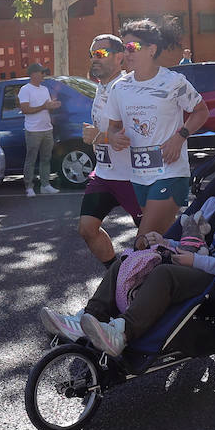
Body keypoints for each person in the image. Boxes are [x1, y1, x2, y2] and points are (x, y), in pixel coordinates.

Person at [39, 138, 215, 352]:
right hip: (190, 262)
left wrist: (193, 260)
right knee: (128, 259)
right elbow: (189, 239)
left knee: (164, 274)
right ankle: (88, 318)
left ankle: (122, 333)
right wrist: (165, 242)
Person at [103, 18, 210, 245]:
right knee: (158, 242)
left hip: (170, 173)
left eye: (132, 47)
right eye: (124, 47)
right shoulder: (120, 87)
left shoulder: (173, 82)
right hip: (138, 175)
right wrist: (113, 138)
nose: (127, 53)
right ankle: (191, 242)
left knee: (142, 242)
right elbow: (112, 127)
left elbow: (201, 111)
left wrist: (180, 137)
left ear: (151, 49)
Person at [74, 35, 143, 269]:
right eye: (92, 54)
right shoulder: (101, 88)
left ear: (120, 57)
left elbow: (134, 134)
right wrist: (98, 138)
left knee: (151, 238)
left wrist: (98, 136)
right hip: (104, 175)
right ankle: (117, 275)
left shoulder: (127, 88)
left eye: (101, 54)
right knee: (87, 228)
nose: (95, 59)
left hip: (131, 177)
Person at [18, 62, 61, 197]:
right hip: (33, 131)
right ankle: (29, 187)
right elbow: (25, 109)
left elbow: (46, 105)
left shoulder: (44, 89)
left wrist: (53, 105)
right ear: (33, 74)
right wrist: (44, 107)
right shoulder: (25, 89)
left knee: (46, 159)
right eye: (41, 72)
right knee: (31, 159)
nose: (44, 75)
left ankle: (45, 185)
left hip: (47, 129)